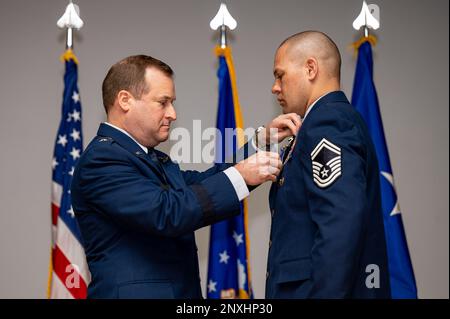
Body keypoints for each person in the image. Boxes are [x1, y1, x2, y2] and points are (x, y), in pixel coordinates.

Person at [71, 55, 290, 298]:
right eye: (162, 102)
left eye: (172, 102)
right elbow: (166, 213)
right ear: (125, 100)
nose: (173, 113)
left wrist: (261, 141)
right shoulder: (102, 159)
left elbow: (205, 182)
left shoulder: (149, 158)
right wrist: (241, 176)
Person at [258, 31, 391, 298]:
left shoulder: (327, 123)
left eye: (279, 74)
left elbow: (339, 226)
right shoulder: (323, 122)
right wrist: (259, 140)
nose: (274, 86)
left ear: (310, 69)